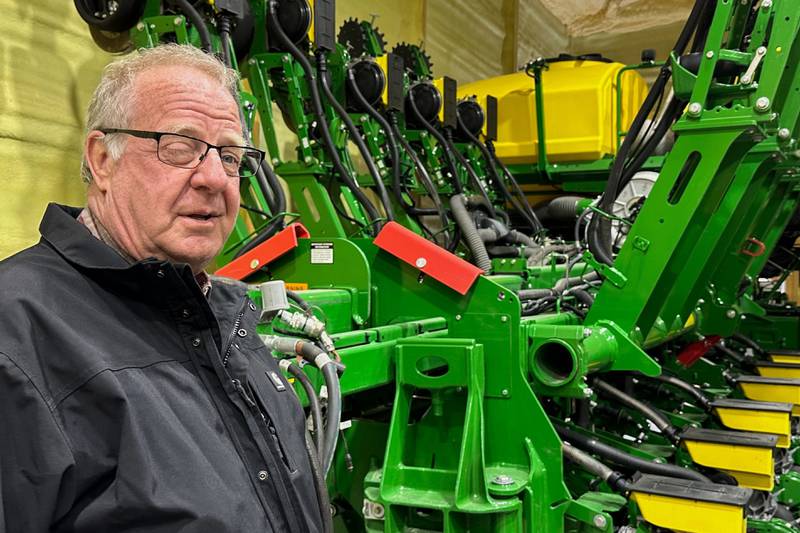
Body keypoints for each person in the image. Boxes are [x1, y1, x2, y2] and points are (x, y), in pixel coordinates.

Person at [0, 44, 327, 532]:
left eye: (232, 156)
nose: (216, 178)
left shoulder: (226, 314)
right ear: (102, 159)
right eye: (180, 147)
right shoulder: (17, 332)